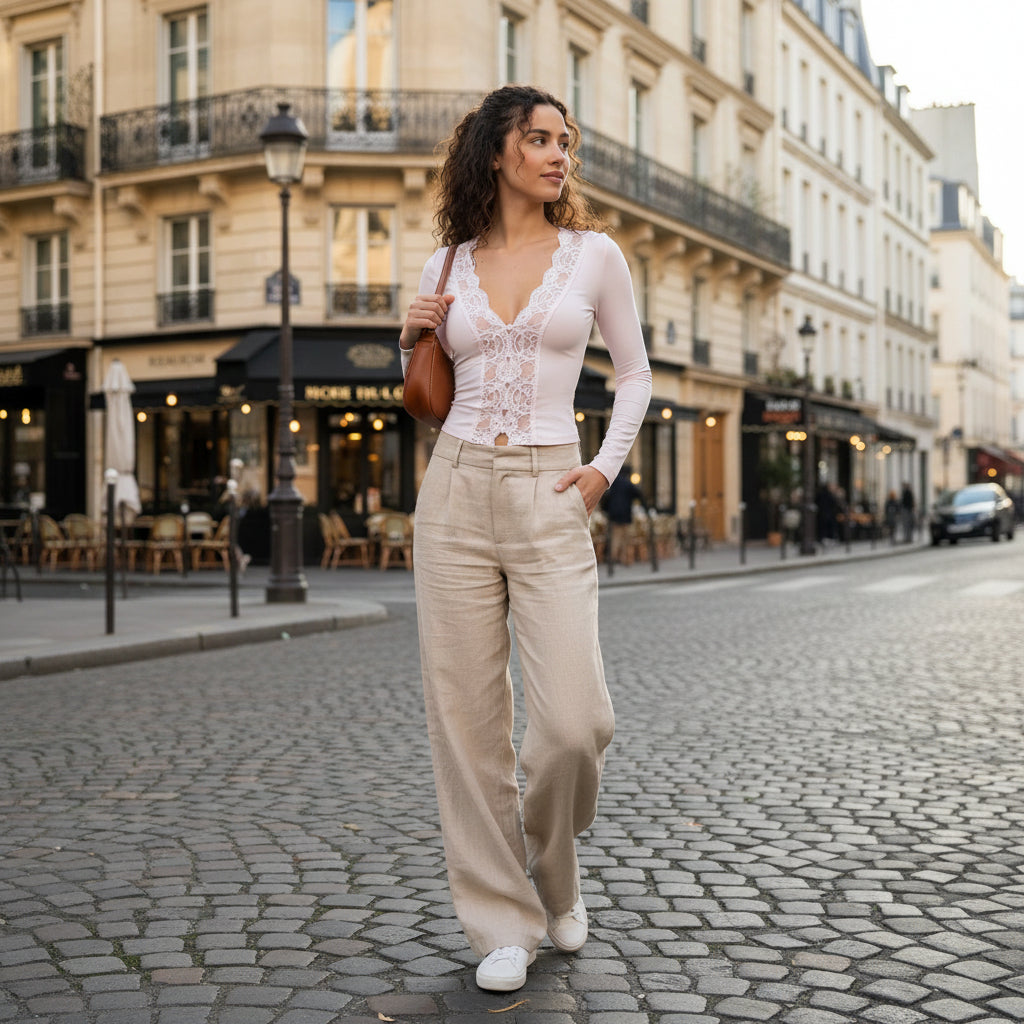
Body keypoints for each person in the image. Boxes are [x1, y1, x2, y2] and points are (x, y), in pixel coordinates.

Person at [398, 85, 652, 993]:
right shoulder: (444, 264)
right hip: (457, 488)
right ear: (495, 153)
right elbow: (427, 389)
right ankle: (502, 921)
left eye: (565, 142)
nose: (558, 156)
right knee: (466, 723)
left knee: (574, 726)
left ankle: (556, 872)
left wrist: (602, 471)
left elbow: (634, 374)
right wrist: (409, 341)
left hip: (552, 487)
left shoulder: (593, 256)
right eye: (539, 139)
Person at [603, 463, 644, 565]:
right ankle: (624, 559)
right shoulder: (628, 483)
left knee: (615, 537)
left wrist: (606, 509)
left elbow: (606, 497)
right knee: (625, 538)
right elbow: (638, 494)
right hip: (625, 514)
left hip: (614, 514)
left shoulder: (614, 482)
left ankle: (612, 559)